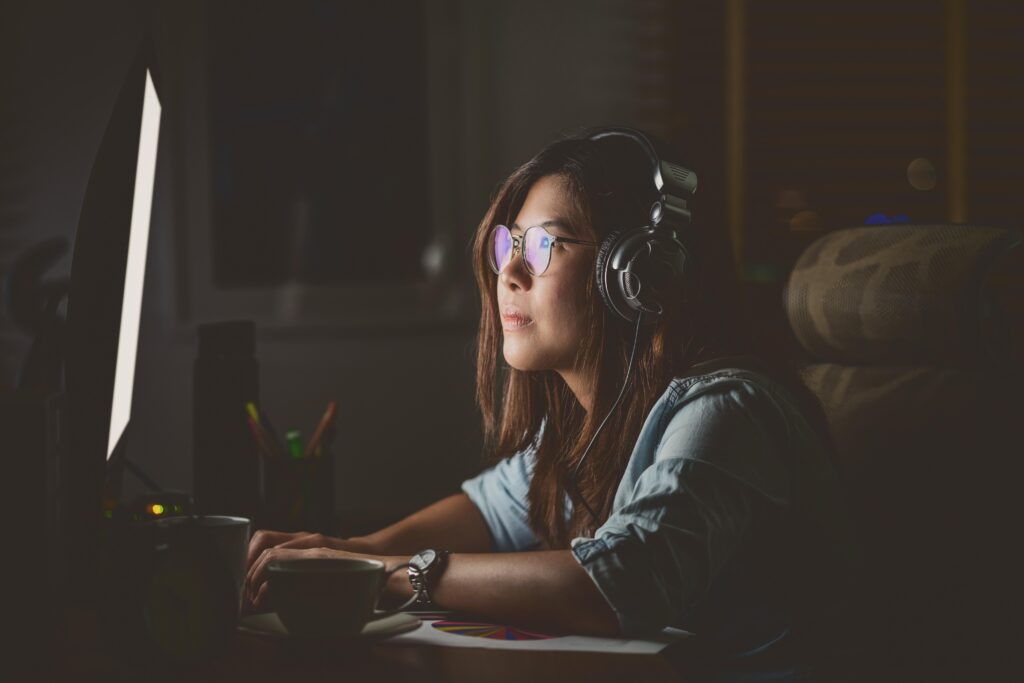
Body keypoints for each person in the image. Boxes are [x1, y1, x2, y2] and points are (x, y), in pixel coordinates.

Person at [244, 127, 857, 658]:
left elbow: (619, 583)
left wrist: (388, 575)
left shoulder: (728, 410)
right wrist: (349, 549)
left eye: (543, 245)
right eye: (508, 243)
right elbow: (490, 511)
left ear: (639, 275)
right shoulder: (590, 423)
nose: (508, 272)